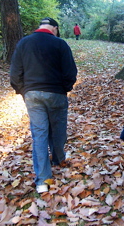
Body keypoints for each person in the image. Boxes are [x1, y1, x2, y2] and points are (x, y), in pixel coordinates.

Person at [10, 17, 77, 194]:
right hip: (56, 93)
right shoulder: (60, 44)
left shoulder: (24, 43)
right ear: (54, 28)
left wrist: (23, 91)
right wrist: (64, 89)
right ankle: (58, 158)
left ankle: (42, 181)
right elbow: (71, 72)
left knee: (39, 135)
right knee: (58, 129)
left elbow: (15, 73)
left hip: (32, 94)